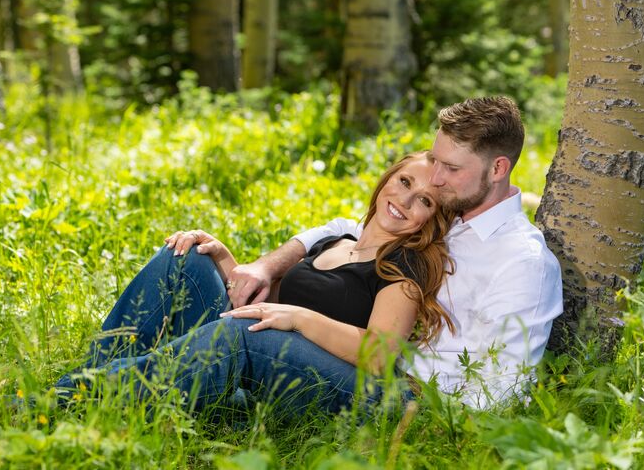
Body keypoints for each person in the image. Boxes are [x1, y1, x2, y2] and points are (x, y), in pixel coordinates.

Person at [224, 96, 564, 408]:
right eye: (437, 161)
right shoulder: (451, 210)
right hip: (363, 369)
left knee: (252, 336)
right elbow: (353, 230)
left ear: (498, 169)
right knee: (189, 261)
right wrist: (266, 266)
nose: (436, 177)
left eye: (452, 168)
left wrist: (431, 434)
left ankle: (174, 401)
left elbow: (505, 387)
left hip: (411, 400)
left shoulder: (522, 261)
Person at [55, 152, 454, 413]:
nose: (405, 200)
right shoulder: (338, 241)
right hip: (272, 356)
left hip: (348, 389)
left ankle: (70, 400)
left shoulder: (405, 265)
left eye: (424, 201)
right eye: (405, 182)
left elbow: (381, 354)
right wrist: (223, 259)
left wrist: (298, 319)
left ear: (431, 219)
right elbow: (270, 304)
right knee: (185, 257)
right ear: (387, 179)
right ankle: (94, 380)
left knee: (244, 333)